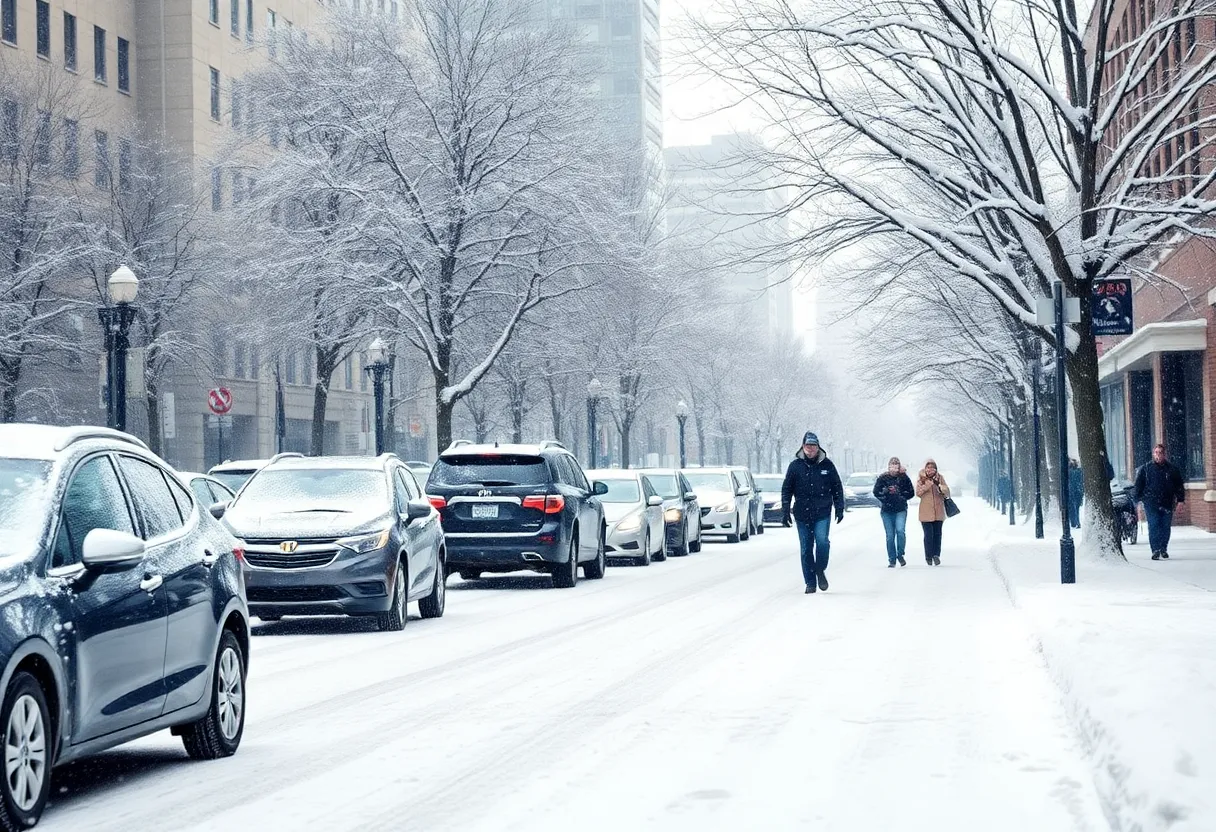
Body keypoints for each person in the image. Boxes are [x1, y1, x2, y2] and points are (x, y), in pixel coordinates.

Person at [781, 431, 845, 594]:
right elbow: (787, 489)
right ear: (803, 447)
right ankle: (810, 582)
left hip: (822, 511)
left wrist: (839, 506)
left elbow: (837, 486)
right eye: (808, 446)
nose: (810, 449)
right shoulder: (795, 466)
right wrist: (785, 510)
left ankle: (819, 569)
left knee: (822, 542)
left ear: (818, 447)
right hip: (802, 513)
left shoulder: (827, 465)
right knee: (806, 548)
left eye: (813, 446)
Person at [1134, 443, 1186, 560]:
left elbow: (1179, 486)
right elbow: (1138, 486)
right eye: (1156, 453)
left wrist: (1180, 501)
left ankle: (1163, 548)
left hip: (1167, 502)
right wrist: (1137, 501)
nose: (1158, 455)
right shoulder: (1146, 469)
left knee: (1165, 526)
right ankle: (1155, 550)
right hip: (1151, 503)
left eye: (1160, 453)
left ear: (1164, 454)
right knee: (1154, 525)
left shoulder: (1172, 469)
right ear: (1153, 454)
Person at [873, 457, 915, 567]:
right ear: (888, 466)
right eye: (892, 465)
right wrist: (885, 494)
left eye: (896, 466)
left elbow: (911, 492)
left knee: (900, 531)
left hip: (900, 509)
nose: (894, 468)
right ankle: (892, 559)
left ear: (899, 467)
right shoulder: (883, 478)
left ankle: (900, 554)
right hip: (887, 510)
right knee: (890, 535)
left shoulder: (904, 478)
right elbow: (876, 492)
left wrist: (901, 495)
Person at [915, 460, 950, 566]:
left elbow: (947, 491)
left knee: (937, 534)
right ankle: (928, 556)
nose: (930, 470)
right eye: (928, 467)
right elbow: (918, 493)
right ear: (925, 469)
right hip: (926, 511)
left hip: (938, 510)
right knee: (928, 535)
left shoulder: (940, 478)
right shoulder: (921, 479)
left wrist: (941, 488)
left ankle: (936, 555)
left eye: (933, 467)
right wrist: (927, 485)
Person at [1067, 459, 1084, 529]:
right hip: (1078, 492)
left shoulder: (1069, 472)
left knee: (1073, 508)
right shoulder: (1080, 472)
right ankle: (1076, 522)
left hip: (1072, 492)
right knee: (1076, 508)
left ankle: (1074, 522)